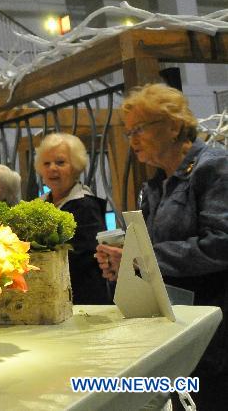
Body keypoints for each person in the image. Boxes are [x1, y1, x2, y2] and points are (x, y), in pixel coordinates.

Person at [96, 83, 228, 409]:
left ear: (172, 125)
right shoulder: (155, 183)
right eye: (128, 133)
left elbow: (222, 244)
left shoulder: (214, 167)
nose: (132, 140)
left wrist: (142, 258)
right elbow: (156, 250)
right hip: (180, 321)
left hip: (216, 326)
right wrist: (124, 262)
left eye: (139, 129)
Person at [35, 132, 111, 304]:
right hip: (49, 296)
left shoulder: (86, 205)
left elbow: (83, 257)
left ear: (76, 166)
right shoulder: (40, 204)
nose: (52, 168)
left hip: (82, 299)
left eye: (60, 162)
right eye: (46, 163)